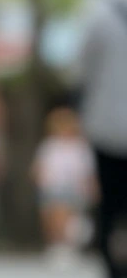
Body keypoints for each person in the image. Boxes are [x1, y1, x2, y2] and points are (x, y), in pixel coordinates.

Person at [79, 0, 127, 278]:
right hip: (106, 125)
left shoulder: (100, 15)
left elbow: (82, 68)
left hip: (107, 125)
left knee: (109, 205)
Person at [32, 107, 96, 267]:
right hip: (52, 188)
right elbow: (39, 167)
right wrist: (41, 180)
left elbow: (88, 171)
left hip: (73, 189)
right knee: (50, 218)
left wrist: (91, 187)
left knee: (64, 217)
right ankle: (56, 246)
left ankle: (68, 245)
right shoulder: (49, 145)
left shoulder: (80, 147)